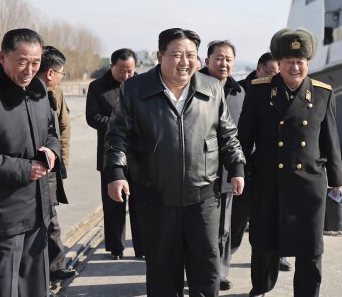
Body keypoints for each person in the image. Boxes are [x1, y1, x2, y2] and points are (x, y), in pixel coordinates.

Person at [104, 28, 246, 297]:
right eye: (177, 54)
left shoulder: (212, 88)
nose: (185, 62)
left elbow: (228, 134)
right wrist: (115, 172)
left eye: (191, 55)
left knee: (206, 272)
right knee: (162, 273)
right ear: (160, 56)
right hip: (156, 198)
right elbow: (117, 135)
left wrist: (237, 167)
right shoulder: (135, 89)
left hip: (203, 199)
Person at [238, 28, 342, 297]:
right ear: (279, 64)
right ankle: (261, 288)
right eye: (288, 62)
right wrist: (238, 170)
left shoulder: (322, 93)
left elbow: (330, 140)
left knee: (311, 248)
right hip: (268, 180)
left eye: (300, 62)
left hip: (308, 184)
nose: (295, 67)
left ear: (308, 63)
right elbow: (244, 136)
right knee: (264, 243)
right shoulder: (259, 91)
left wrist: (336, 180)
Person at [0, 28, 61, 297]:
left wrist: (51, 151)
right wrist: (26, 169)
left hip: (38, 209)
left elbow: (52, 132)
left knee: (36, 284)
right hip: (3, 214)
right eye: (22, 61)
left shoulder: (38, 92)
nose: (29, 69)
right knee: (3, 286)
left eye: (35, 63)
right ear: (3, 58)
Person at [233, 51, 292, 272]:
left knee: (278, 214)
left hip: (272, 165)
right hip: (249, 165)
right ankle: (225, 258)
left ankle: (280, 256)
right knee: (239, 218)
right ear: (259, 70)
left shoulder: (285, 91)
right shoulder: (241, 90)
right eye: (272, 73)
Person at [86, 48, 143, 259]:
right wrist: (117, 124)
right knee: (114, 205)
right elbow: (92, 117)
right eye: (121, 71)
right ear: (111, 66)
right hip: (110, 154)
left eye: (130, 71)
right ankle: (116, 248)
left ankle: (142, 247)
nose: (126, 76)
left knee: (139, 204)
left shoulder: (140, 84)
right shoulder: (97, 87)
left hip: (138, 155)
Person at [199, 40, 245, 291]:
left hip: (228, 171)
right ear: (207, 61)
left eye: (228, 59)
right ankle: (198, 270)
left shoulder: (240, 93)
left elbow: (244, 135)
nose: (223, 63)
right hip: (199, 170)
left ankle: (219, 272)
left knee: (224, 226)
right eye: (219, 58)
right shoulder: (193, 87)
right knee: (200, 226)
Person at [36, 46, 77, 282]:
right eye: (62, 72)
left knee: (51, 216)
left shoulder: (56, 93)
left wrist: (63, 162)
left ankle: (56, 265)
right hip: (32, 169)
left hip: (52, 167)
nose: (62, 77)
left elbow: (63, 128)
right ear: (51, 72)